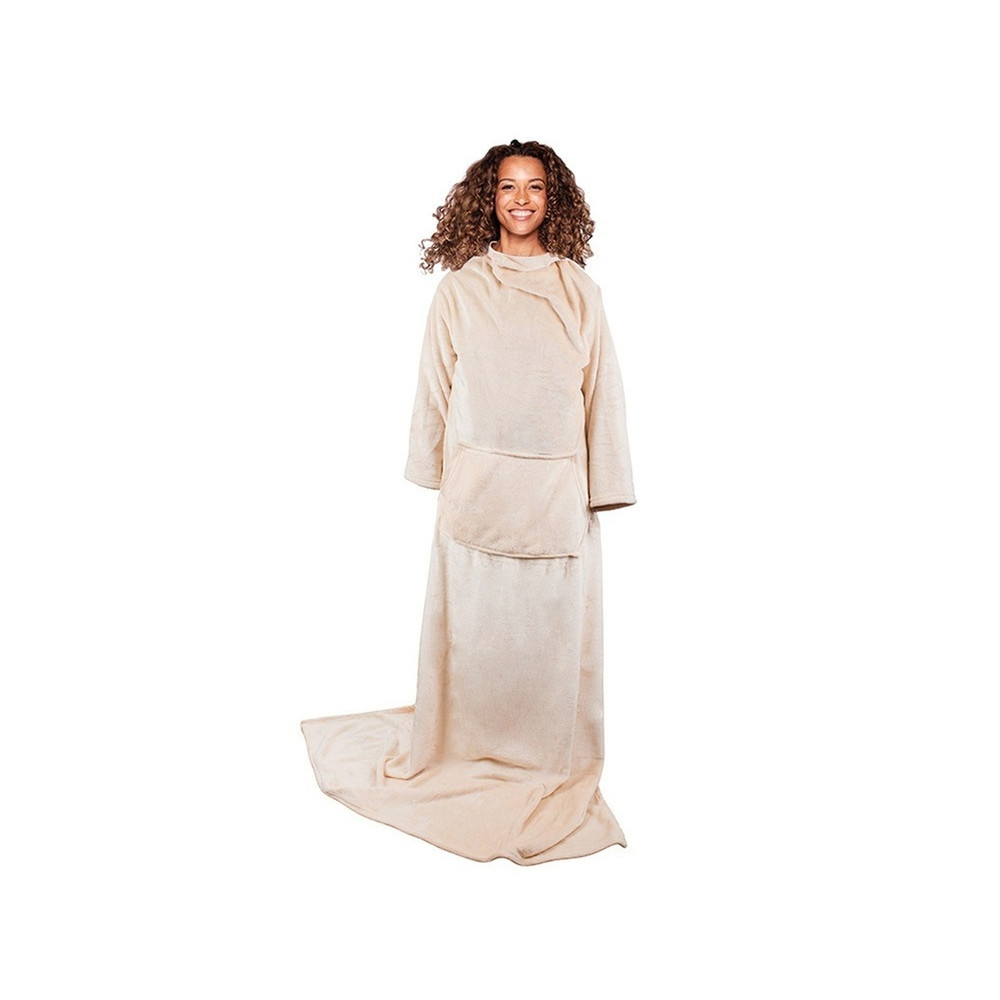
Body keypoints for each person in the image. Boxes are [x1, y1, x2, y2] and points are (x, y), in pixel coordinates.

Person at [301, 139, 636, 864]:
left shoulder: (581, 292)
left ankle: (543, 754)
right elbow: (435, 386)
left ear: (554, 200)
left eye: (535, 187)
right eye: (508, 187)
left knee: (549, 644)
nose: (521, 200)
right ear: (488, 198)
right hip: (477, 490)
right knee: (474, 638)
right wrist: (433, 466)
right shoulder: (459, 290)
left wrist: (606, 485)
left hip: (555, 494)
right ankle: (466, 745)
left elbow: (600, 394)